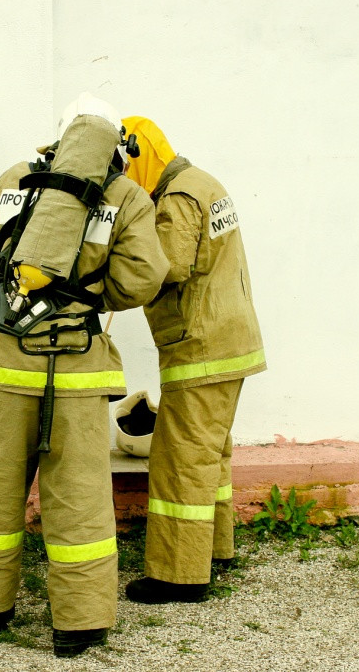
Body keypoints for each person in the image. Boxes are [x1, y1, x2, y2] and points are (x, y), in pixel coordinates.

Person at [0, 94, 168, 657]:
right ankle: (78, 622)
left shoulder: (12, 180)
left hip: (1, 363)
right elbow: (144, 278)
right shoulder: (125, 195)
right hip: (75, 370)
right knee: (78, 496)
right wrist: (92, 294)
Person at [120, 116, 266, 604]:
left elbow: (168, 265)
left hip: (199, 347)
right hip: (230, 341)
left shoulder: (176, 197)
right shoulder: (204, 182)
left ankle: (178, 575)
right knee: (211, 454)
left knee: (180, 457)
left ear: (140, 156)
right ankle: (215, 549)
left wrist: (114, 275)